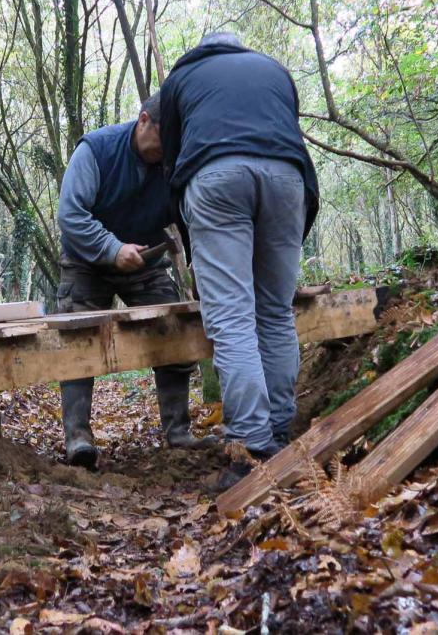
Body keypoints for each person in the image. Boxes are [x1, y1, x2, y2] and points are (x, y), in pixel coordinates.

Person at [157, 31, 319, 490]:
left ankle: (252, 448)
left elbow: (172, 162)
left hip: (215, 176)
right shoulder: (274, 70)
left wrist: (189, 234)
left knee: (231, 319)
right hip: (289, 180)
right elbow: (286, 134)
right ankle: (281, 431)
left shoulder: (181, 78)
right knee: (274, 309)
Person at [55, 94, 212, 468]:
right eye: (162, 140)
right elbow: (71, 215)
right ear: (143, 121)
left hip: (145, 259)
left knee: (173, 328)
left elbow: (191, 222)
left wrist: (203, 275)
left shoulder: (174, 163)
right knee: (78, 339)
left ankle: (177, 430)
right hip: (86, 260)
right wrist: (111, 249)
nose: (164, 152)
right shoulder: (96, 150)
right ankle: (78, 437)